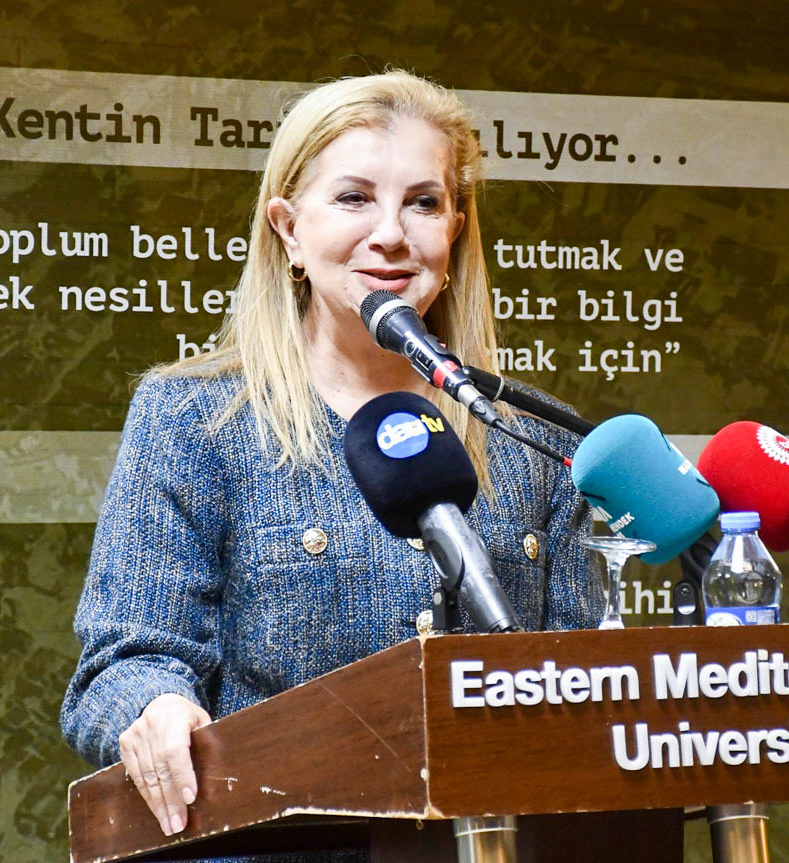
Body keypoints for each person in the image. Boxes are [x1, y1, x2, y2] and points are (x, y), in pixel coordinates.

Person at [59, 70, 602, 858]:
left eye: (423, 202)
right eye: (354, 198)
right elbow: (124, 662)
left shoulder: (530, 440)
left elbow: (585, 694)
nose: (391, 234)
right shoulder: (194, 418)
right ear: (288, 228)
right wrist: (158, 707)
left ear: (455, 229)